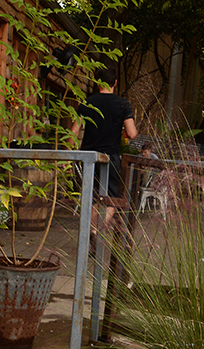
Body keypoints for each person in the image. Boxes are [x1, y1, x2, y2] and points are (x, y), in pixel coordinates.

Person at [72, 67, 138, 233]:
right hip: (111, 158)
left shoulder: (86, 103)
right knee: (113, 198)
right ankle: (94, 231)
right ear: (115, 82)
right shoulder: (123, 104)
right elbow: (131, 133)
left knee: (91, 196)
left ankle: (89, 231)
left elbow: (73, 132)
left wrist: (68, 155)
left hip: (88, 157)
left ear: (96, 83)